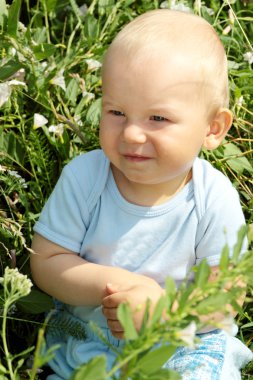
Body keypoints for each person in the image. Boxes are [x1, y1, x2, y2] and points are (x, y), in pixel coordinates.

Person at [30, 9, 253, 380]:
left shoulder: (214, 197)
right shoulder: (86, 178)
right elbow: (47, 262)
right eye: (116, 111)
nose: (131, 134)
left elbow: (227, 296)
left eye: (158, 119)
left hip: (183, 342)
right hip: (91, 336)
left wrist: (164, 310)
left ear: (213, 129)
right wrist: (121, 287)